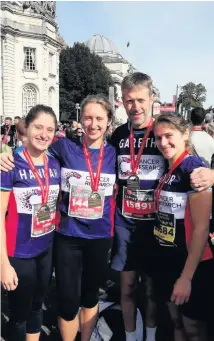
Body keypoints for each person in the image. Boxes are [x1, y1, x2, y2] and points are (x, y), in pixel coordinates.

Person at [0, 95, 117, 341]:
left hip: (100, 236)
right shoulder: (63, 147)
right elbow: (32, 151)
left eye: (99, 118)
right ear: (80, 120)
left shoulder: (115, 154)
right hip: (67, 236)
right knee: (66, 301)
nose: (93, 124)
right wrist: (7, 152)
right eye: (87, 117)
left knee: (90, 297)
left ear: (108, 122)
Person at [110, 72, 165, 341]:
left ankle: (152, 337)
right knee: (128, 288)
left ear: (152, 98)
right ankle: (132, 338)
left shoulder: (164, 132)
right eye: (129, 100)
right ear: (122, 101)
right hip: (126, 223)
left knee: (152, 290)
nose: (135, 107)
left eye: (141, 99)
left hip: (157, 226)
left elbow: (188, 163)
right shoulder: (118, 135)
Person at [1, 104, 61, 341]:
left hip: (46, 248)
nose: (44, 134)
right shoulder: (10, 164)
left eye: (50, 129)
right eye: (38, 127)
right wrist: (3, 263)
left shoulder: (55, 163)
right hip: (18, 252)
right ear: (26, 127)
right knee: (20, 314)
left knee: (37, 306)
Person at [153, 113, 214, 341]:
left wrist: (186, 277)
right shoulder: (167, 168)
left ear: (185, 134)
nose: (163, 143)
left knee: (193, 328)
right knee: (176, 323)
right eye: (158, 138)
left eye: (169, 135)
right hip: (169, 258)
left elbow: (200, 228)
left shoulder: (194, 168)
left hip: (193, 264)